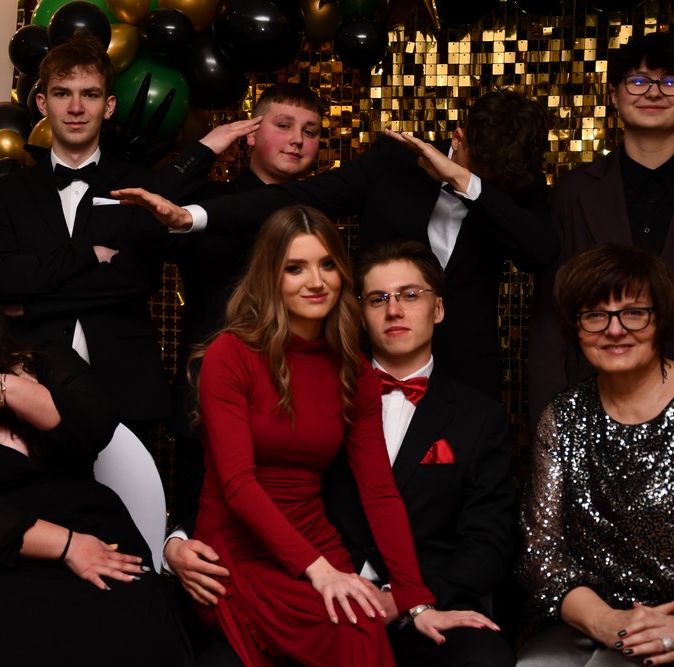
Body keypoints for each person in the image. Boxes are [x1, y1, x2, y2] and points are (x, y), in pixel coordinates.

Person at [183, 205, 495, 667]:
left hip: (315, 541)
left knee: (360, 622)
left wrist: (416, 600)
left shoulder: (352, 371)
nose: (316, 281)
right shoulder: (231, 354)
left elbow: (379, 492)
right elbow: (238, 483)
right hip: (237, 549)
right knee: (344, 632)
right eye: (295, 268)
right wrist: (320, 571)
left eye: (327, 264)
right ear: (271, 276)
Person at [115, 89, 556, 400]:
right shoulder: (394, 164)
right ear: (457, 136)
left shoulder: (516, 183)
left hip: (465, 373)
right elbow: (297, 197)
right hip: (368, 367)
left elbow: (541, 253)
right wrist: (191, 217)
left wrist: (469, 184)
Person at [0, 257, 191, 666]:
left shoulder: (43, 357)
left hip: (89, 527)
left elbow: (95, 427)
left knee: (136, 629)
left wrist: (7, 388)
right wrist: (68, 546)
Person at [0, 34, 257, 438]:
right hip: (30, 379)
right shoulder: (7, 193)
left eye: (89, 94)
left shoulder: (142, 186)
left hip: (127, 384)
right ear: (42, 103)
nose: (76, 108)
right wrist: (88, 255)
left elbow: (135, 280)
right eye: (62, 93)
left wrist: (34, 304)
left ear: (108, 106)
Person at [323, 240, 515, 667]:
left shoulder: (480, 417)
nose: (394, 310)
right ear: (361, 315)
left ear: (438, 308)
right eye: (378, 299)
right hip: (327, 601)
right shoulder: (324, 397)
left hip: (430, 608)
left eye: (410, 295)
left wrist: (402, 597)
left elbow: (489, 544)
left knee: (485, 659)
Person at [170, 82, 325, 523]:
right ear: (250, 134)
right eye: (283, 125)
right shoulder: (203, 204)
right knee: (201, 540)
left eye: (310, 131)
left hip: (295, 413)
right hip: (206, 408)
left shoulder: (320, 218)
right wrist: (206, 148)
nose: (297, 139)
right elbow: (138, 214)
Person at [518, 244, 674, 666]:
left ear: (660, 319)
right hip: (590, 622)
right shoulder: (562, 417)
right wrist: (607, 622)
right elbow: (542, 556)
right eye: (595, 315)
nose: (615, 330)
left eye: (634, 313)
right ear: (576, 327)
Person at [529, 32, 674, 427]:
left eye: (669, 81)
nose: (654, 92)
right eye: (638, 80)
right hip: (591, 409)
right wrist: (552, 425)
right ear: (614, 95)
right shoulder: (574, 192)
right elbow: (549, 322)